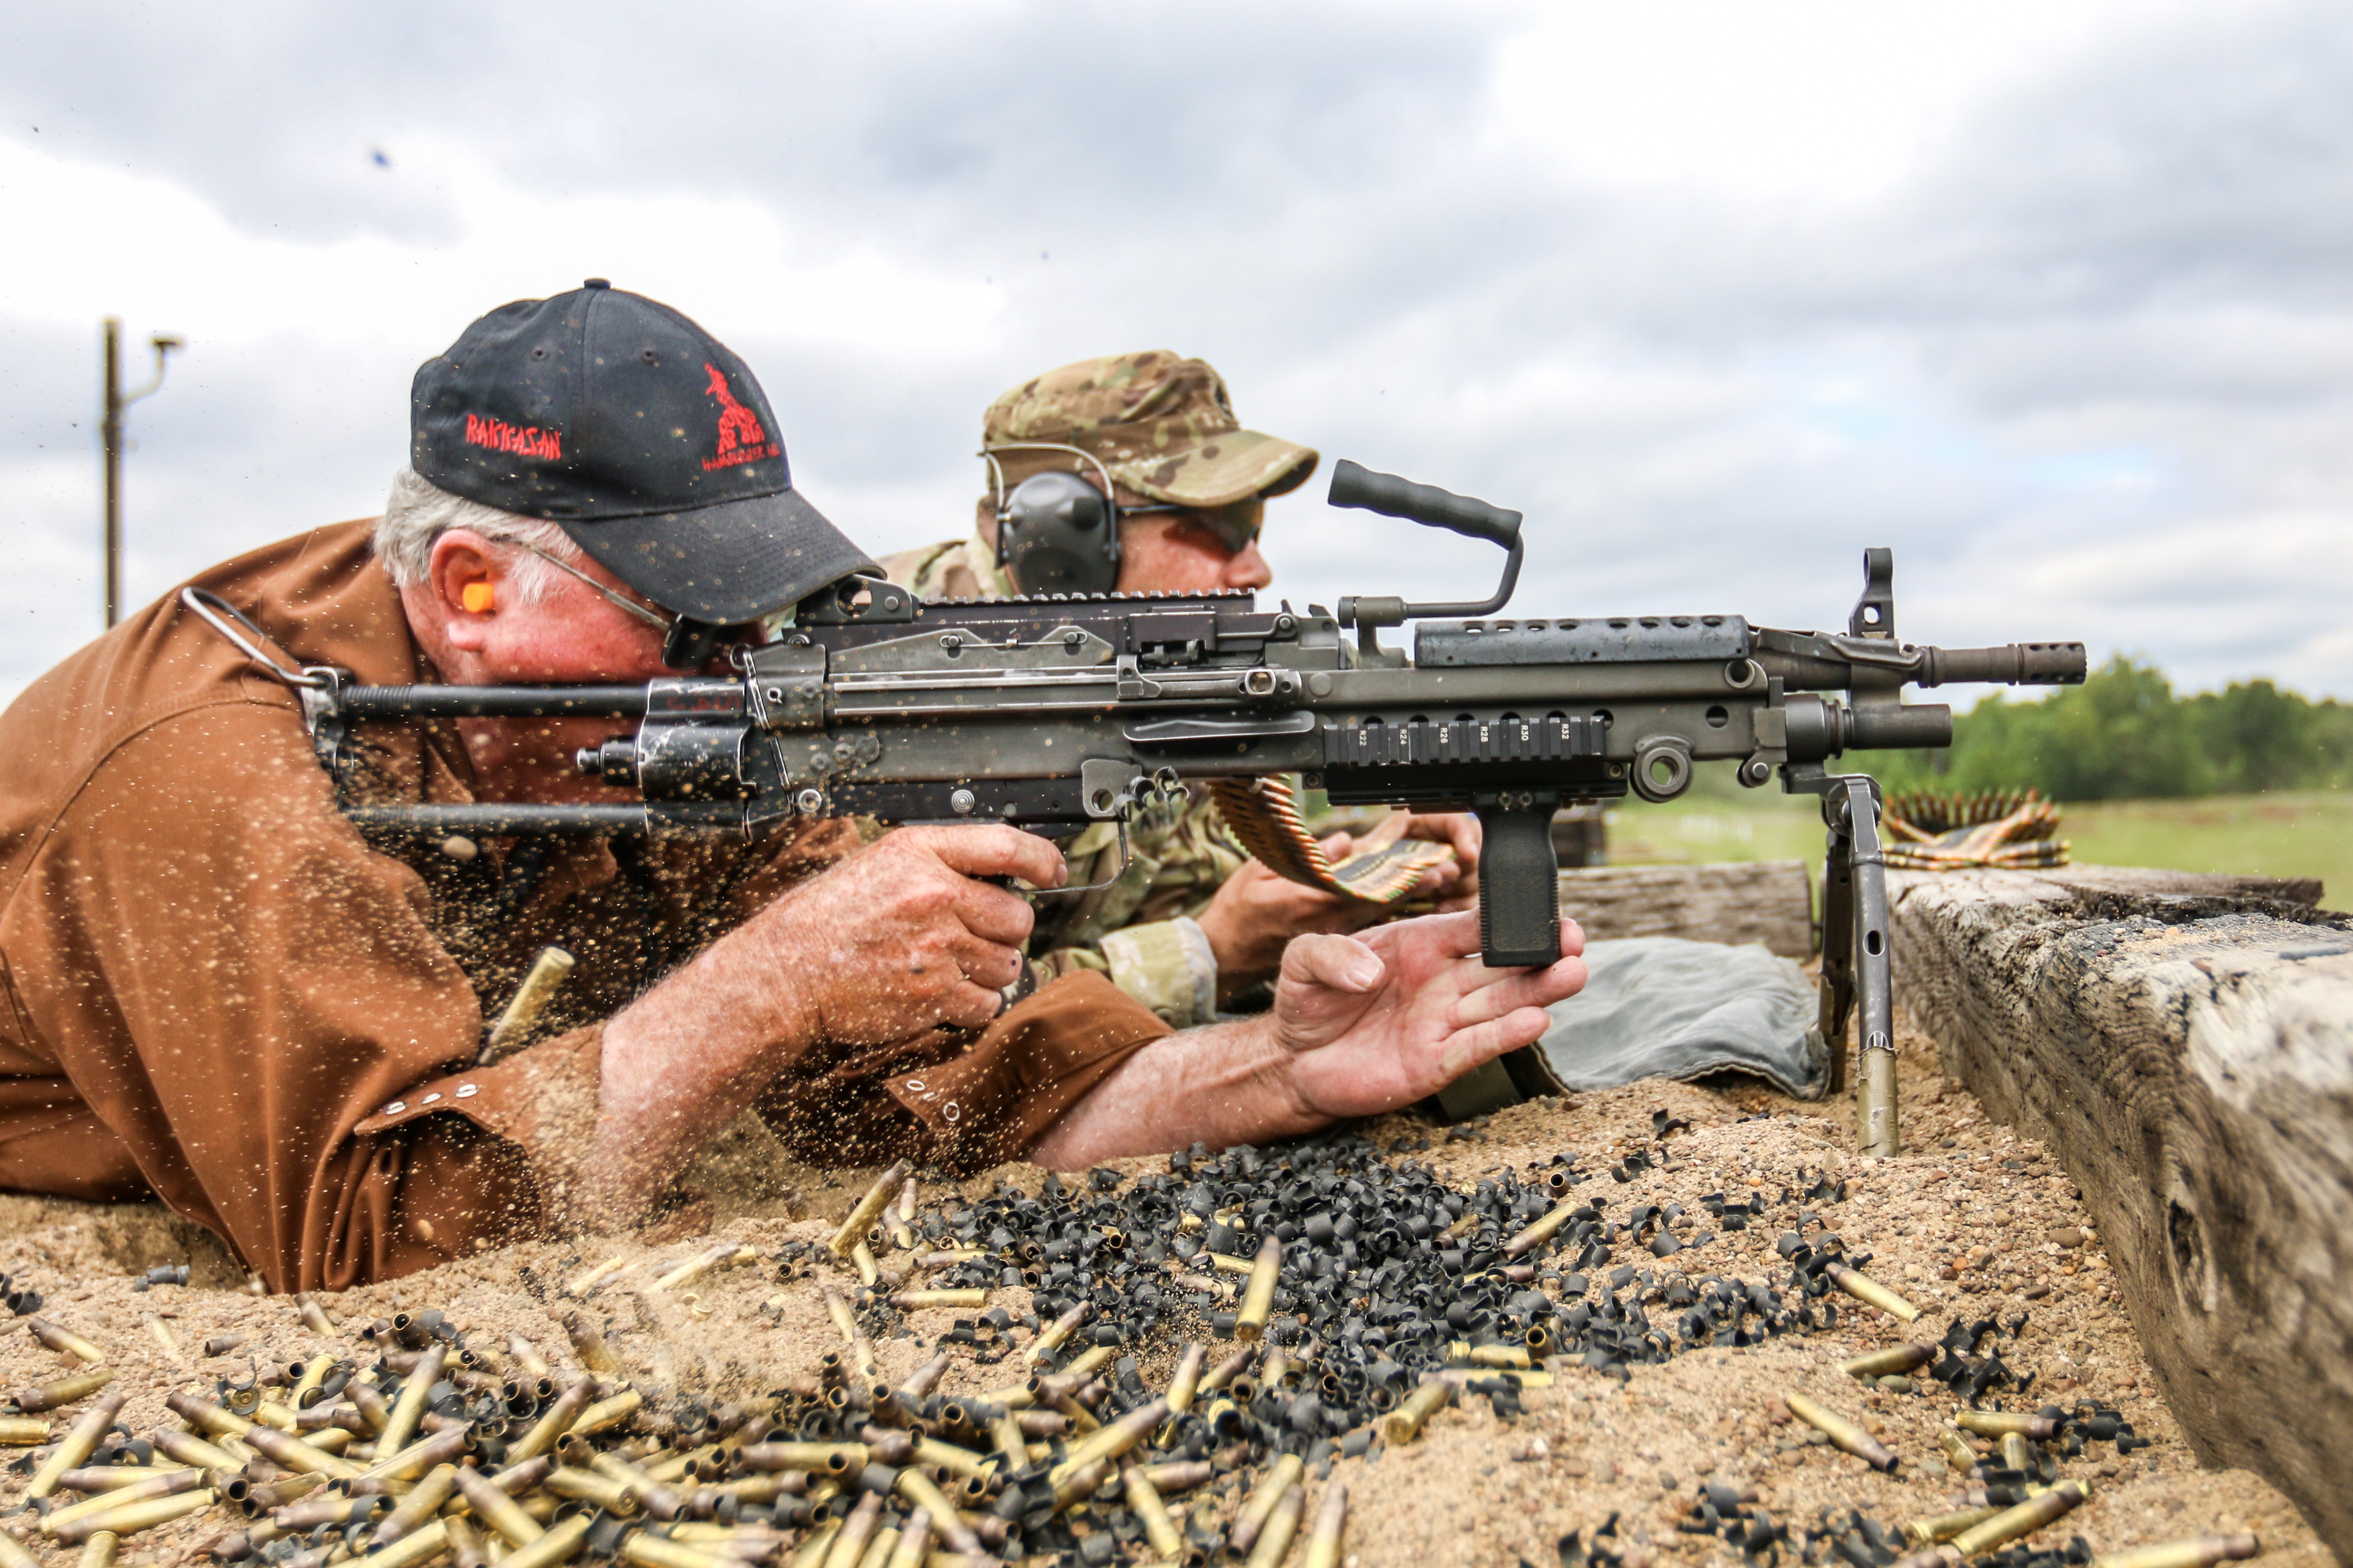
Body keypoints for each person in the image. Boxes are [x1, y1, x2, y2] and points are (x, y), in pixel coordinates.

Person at [0, 286, 1585, 1291]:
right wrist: (771, 979)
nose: (743, 656)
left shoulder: (664, 716)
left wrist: (1281, 1070)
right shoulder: (219, 771)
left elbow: (946, 1097)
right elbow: (363, 1238)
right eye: (687, 615)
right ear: (473, 585)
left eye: (754, 601)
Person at [880, 351, 1482, 1027]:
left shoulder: (1153, 658)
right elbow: (908, 1022)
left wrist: (1366, 864)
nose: (1256, 569)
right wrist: (1211, 953)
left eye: (1254, 527)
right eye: (1222, 528)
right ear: (1064, 538)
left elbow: (1184, 873)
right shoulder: (882, 681)